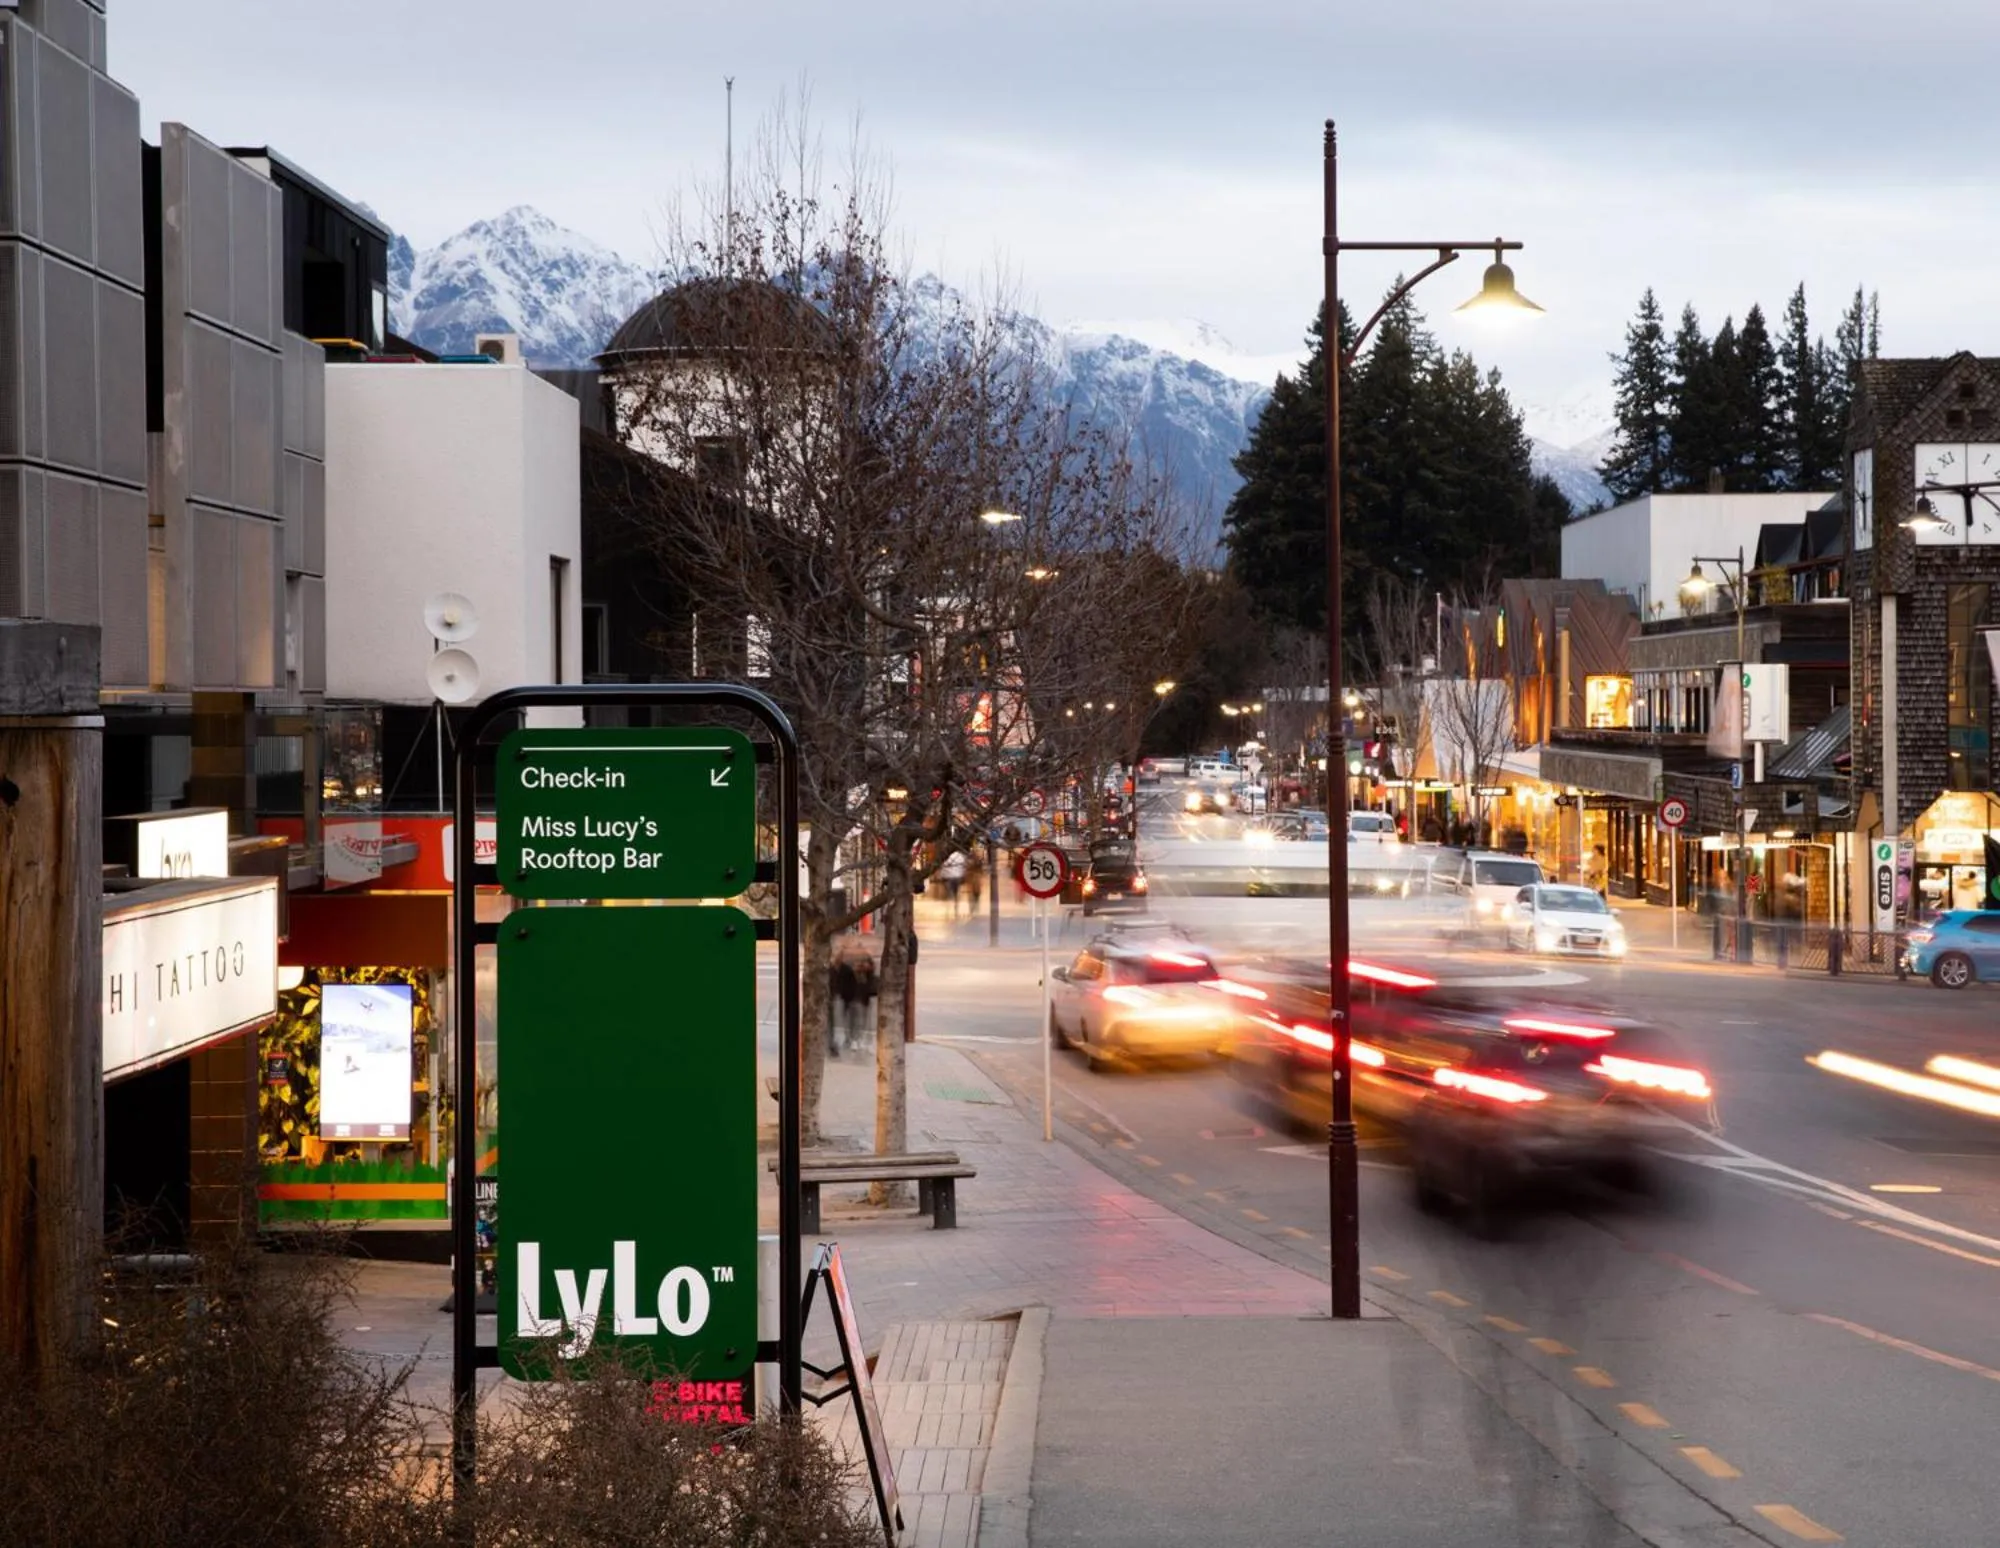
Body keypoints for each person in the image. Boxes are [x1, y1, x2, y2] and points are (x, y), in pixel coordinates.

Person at [938, 848, 969, 914]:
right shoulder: (960, 855)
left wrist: (942, 875)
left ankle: (949, 907)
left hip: (948, 877)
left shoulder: (945, 856)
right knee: (956, 892)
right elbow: (964, 867)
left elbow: (942, 867)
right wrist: (963, 875)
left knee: (949, 892)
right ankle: (955, 905)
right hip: (957, 877)